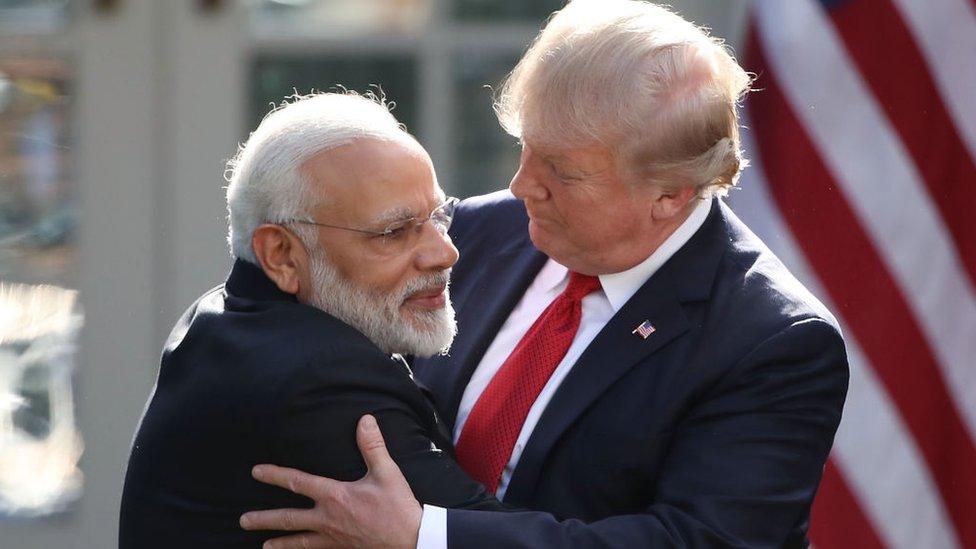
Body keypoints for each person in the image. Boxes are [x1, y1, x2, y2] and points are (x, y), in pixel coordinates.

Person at [240, 1, 850, 547]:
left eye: (561, 169)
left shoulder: (773, 344)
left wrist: (429, 537)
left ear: (670, 194)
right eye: (526, 145)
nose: (521, 185)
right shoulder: (478, 234)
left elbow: (697, 540)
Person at [118, 92, 507, 548]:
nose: (446, 253)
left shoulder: (224, 317)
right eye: (394, 232)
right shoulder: (321, 381)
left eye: (438, 218)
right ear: (281, 255)